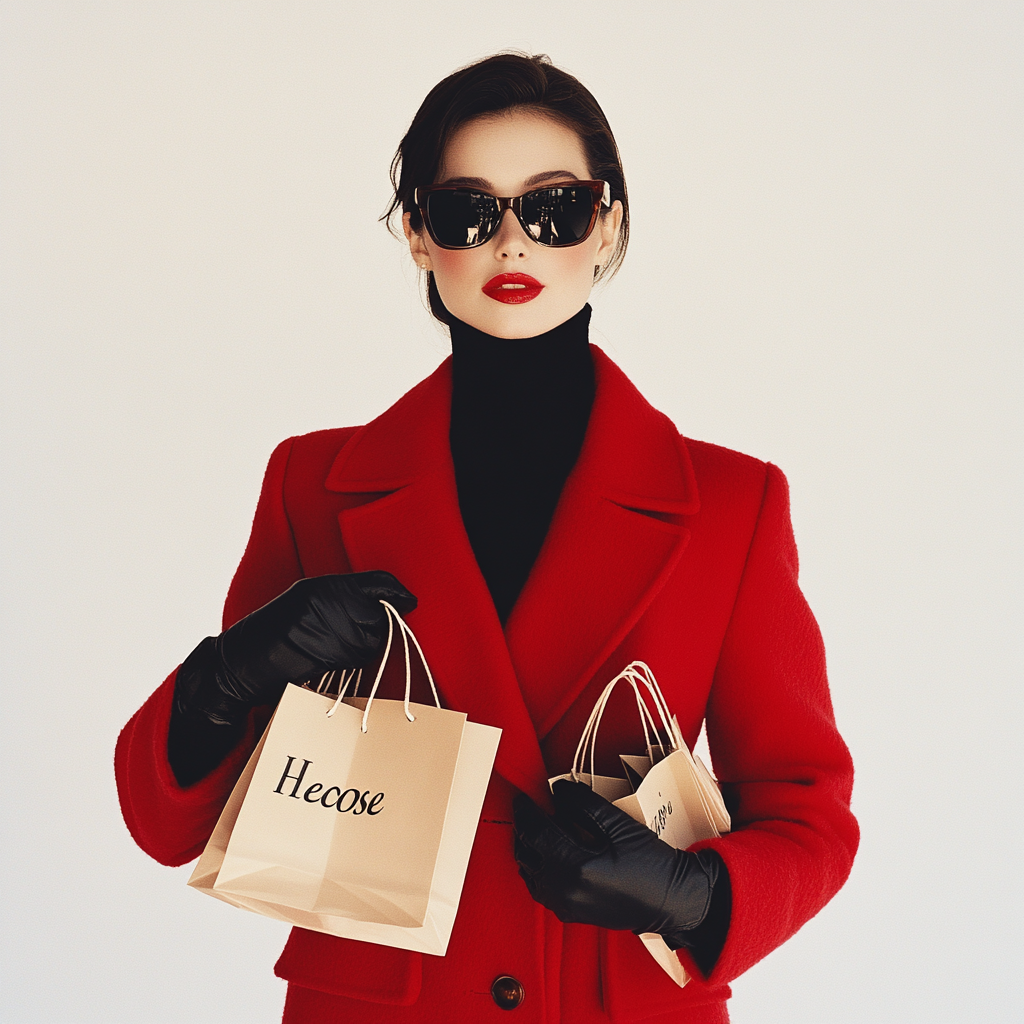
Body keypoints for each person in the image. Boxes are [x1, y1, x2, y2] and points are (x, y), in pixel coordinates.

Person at [115, 52, 858, 1024]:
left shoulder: (730, 502)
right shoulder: (314, 483)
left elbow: (806, 808)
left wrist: (696, 895)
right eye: (470, 211)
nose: (513, 243)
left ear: (609, 227)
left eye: (553, 209)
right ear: (421, 236)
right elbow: (176, 821)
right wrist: (233, 670)